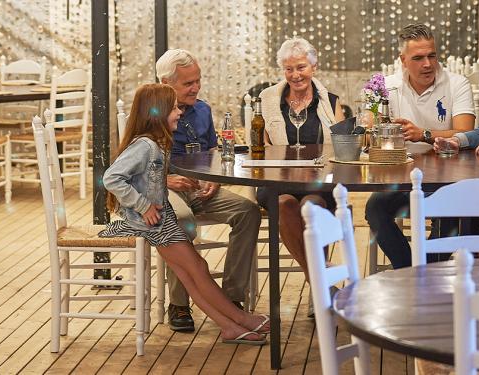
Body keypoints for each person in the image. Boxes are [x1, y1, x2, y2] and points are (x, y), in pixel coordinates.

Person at [100, 83, 270, 345]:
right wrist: (143, 206)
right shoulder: (145, 146)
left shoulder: (156, 143)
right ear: (157, 113)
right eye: (174, 108)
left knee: (193, 272)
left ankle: (229, 326)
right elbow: (112, 178)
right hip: (155, 223)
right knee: (197, 269)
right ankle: (240, 320)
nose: (179, 112)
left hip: (160, 220)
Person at [156, 49, 262, 332]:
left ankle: (230, 299)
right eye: (188, 83)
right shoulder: (151, 112)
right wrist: (165, 181)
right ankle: (178, 304)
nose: (195, 88)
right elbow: (129, 163)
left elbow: (213, 150)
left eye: (197, 81)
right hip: (166, 188)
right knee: (179, 220)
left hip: (200, 186)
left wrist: (215, 177)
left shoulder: (202, 109)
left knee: (248, 212)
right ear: (167, 84)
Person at [364, 23, 476, 269]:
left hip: (447, 177)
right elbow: (367, 133)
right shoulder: (384, 85)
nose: (428, 64)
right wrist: (380, 128)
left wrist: (422, 134)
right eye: (418, 58)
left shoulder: (457, 83)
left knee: (449, 213)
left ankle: (426, 272)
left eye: (432, 55)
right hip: (400, 178)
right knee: (374, 208)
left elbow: (467, 132)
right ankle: (410, 270)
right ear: (403, 60)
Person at [256, 37, 345, 283]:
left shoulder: (332, 102)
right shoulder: (267, 100)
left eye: (301, 67)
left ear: (314, 67)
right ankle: (318, 280)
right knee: (284, 204)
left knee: (312, 207)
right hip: (277, 180)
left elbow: (340, 147)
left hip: (318, 181)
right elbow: (260, 147)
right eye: (289, 69)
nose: (295, 75)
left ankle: (315, 285)